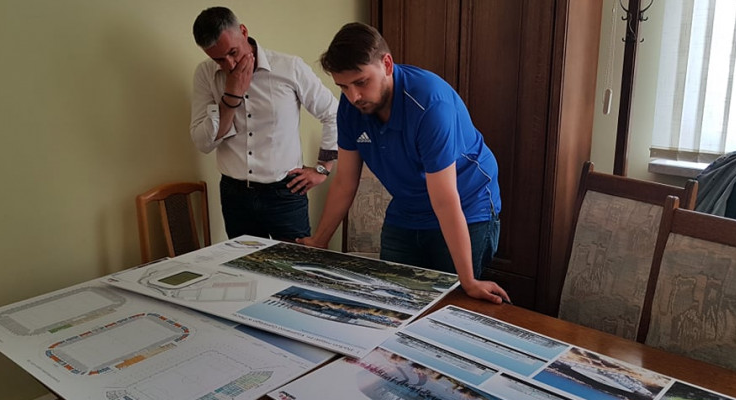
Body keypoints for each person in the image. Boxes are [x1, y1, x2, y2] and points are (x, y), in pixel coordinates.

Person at [298, 22, 510, 305]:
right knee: (391, 300)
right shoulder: (351, 107)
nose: (353, 96)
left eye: (361, 82)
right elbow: (345, 182)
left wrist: (468, 282)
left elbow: (445, 200)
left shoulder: (430, 105)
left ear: (387, 64)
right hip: (408, 209)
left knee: (448, 303)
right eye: (343, 87)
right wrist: (320, 240)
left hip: (466, 204)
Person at [190, 7, 339, 241]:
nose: (229, 64)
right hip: (234, 195)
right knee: (243, 265)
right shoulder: (205, 74)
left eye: (233, 52)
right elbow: (203, 143)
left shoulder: (290, 67)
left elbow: (332, 113)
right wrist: (231, 96)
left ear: (243, 31)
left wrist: (323, 169)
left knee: (295, 263)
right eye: (218, 59)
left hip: (285, 193)